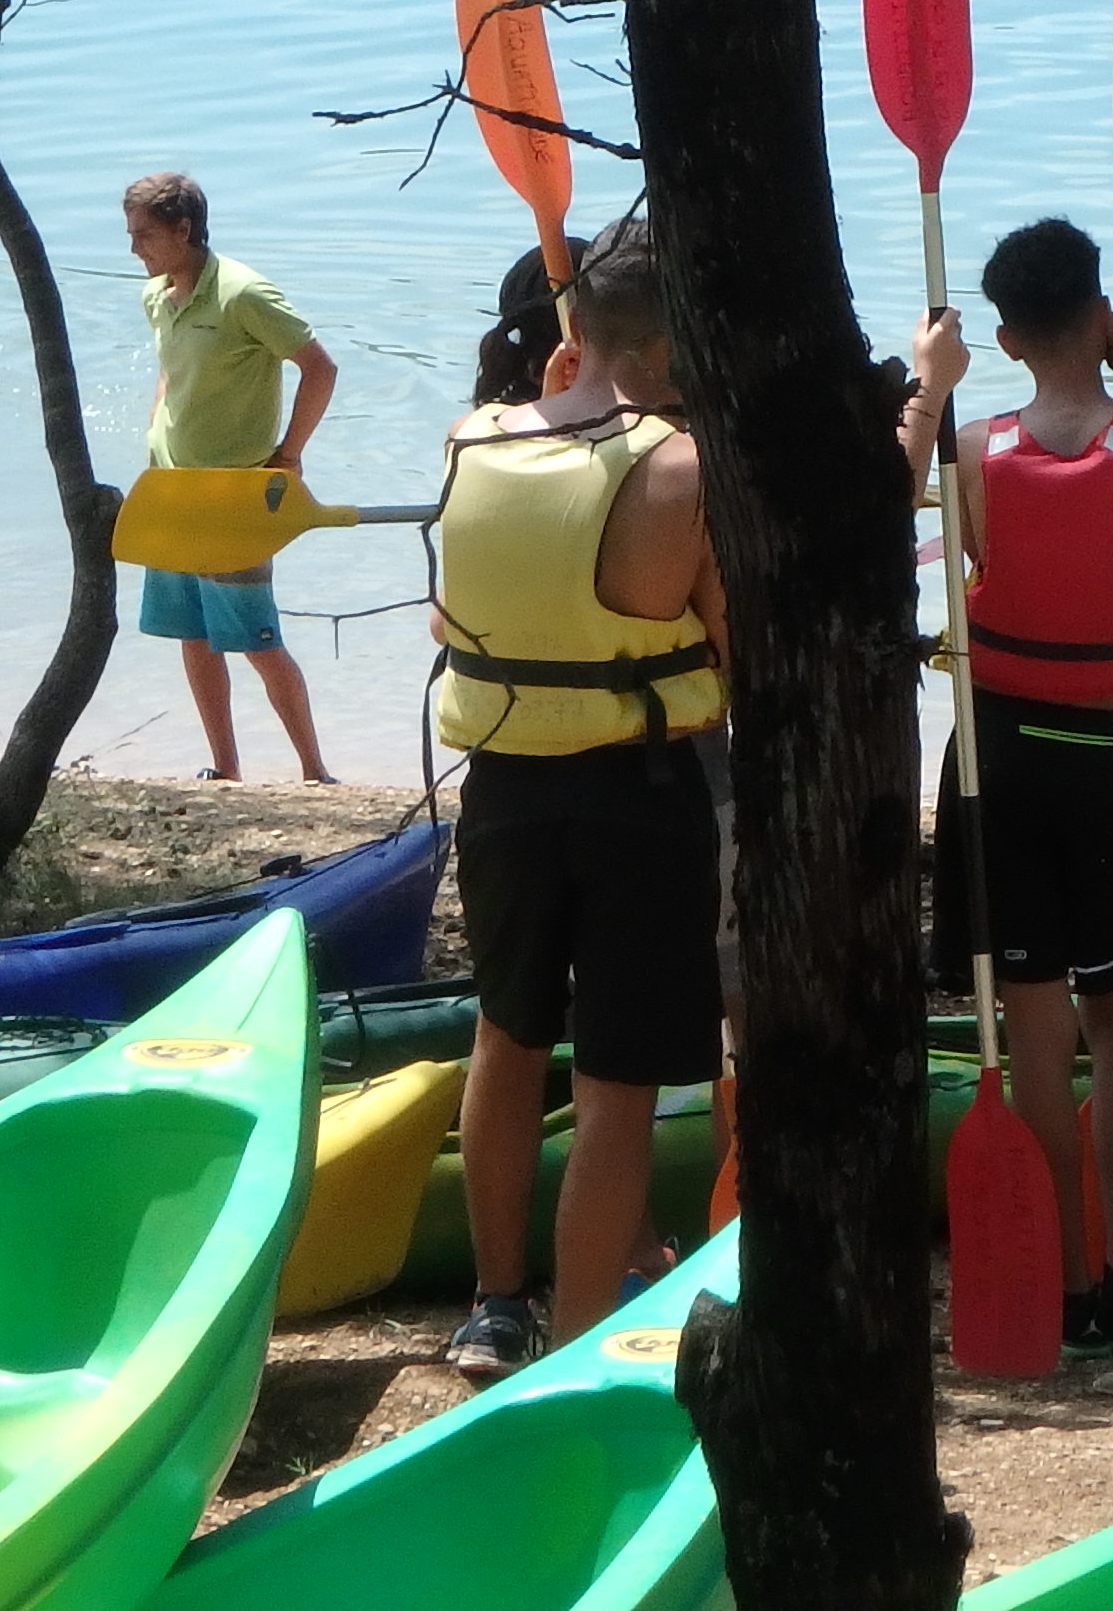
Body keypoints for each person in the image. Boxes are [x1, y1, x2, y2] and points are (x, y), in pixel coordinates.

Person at [902, 216, 1113, 1357]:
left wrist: (931, 390)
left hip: (1000, 762)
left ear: (1003, 336)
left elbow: (899, 501)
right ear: (1101, 315)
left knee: (1033, 1032)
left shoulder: (973, 448)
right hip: (1112, 761)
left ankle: (1071, 1287)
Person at [434, 231, 732, 1380]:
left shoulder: (470, 439)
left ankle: (492, 1308)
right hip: (637, 793)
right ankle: (570, 1344)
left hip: (503, 790)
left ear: (577, 335)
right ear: (665, 343)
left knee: (506, 1038)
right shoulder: (677, 465)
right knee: (617, 1079)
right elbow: (728, 651)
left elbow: (457, 615)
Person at [123, 171, 339, 783]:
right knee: (192, 634)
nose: (134, 248)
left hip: (233, 496)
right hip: (170, 491)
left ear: (182, 229)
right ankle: (225, 769)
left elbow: (319, 368)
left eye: (144, 235)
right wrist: (155, 433)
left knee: (255, 640)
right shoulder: (157, 295)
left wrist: (290, 454)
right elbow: (170, 374)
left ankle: (315, 771)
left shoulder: (243, 293)